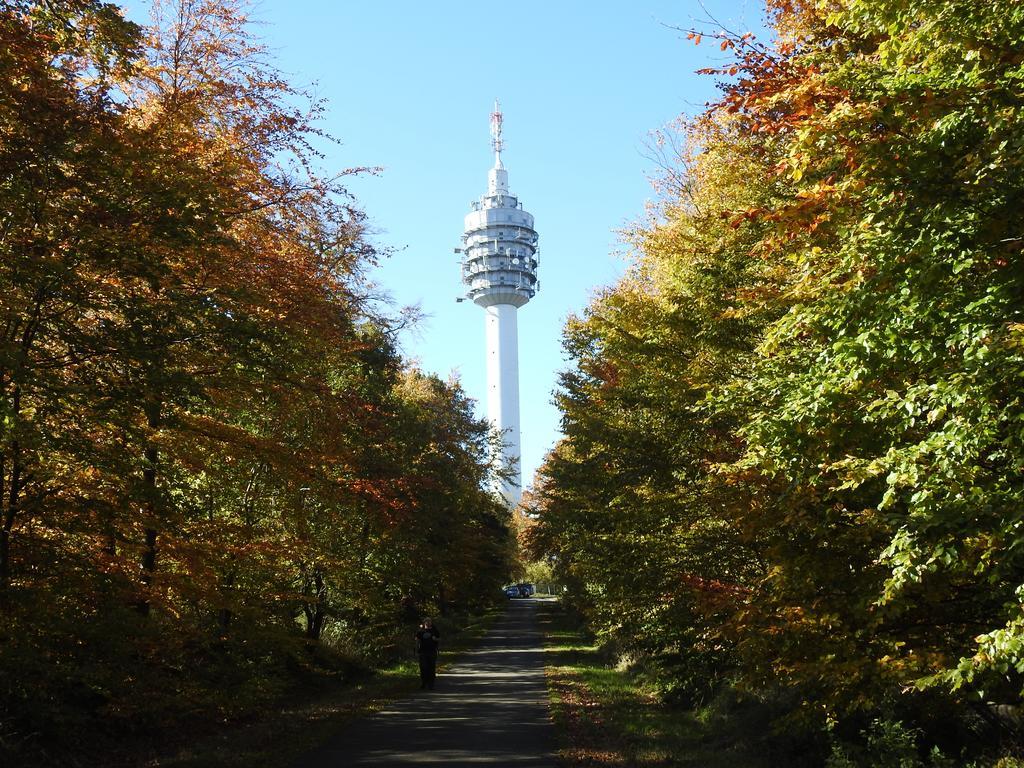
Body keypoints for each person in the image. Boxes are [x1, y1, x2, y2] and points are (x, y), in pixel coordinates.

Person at [415, 617, 441, 690]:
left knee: (432, 668)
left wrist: (436, 639)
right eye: (427, 621)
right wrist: (416, 650)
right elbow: (417, 641)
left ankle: (431, 684)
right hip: (422, 652)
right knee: (423, 668)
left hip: (432, 651)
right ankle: (423, 683)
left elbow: (439, 639)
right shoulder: (420, 631)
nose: (428, 622)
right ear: (424, 622)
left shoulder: (434, 630)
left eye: (430, 621)